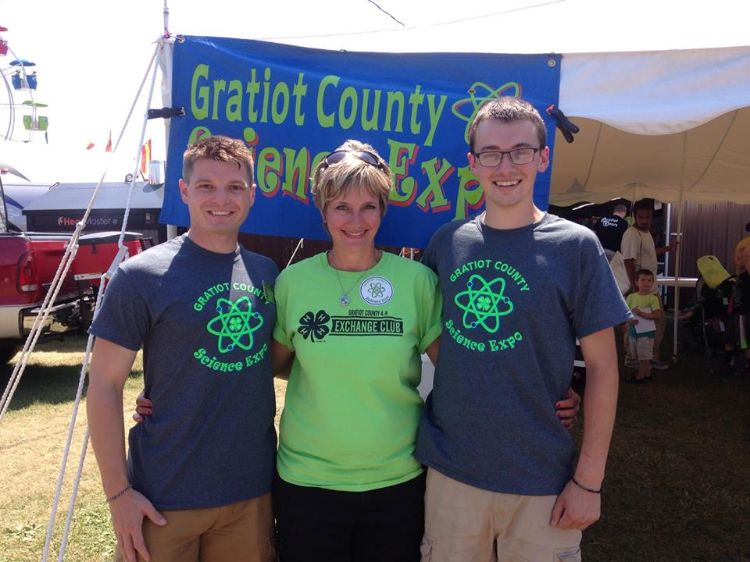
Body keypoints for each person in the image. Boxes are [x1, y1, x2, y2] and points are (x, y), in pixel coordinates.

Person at [133, 138, 582, 562]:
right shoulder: (291, 283)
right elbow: (258, 365)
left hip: (398, 480)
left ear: (383, 211)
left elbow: (463, 367)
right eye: (342, 207)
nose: (356, 219)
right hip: (306, 481)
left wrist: (539, 398)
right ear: (324, 212)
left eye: (369, 206)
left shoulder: (417, 282)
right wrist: (176, 394)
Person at [415, 96, 630, 562]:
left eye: (521, 151)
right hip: (452, 476)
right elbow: (428, 342)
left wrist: (589, 481)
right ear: (473, 163)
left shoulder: (576, 246)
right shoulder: (446, 243)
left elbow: (603, 369)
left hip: (542, 480)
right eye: (491, 152)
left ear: (543, 157)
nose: (505, 165)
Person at [86, 136, 278, 562]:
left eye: (234, 186)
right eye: (206, 186)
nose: (221, 199)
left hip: (251, 491)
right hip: (163, 495)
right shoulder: (141, 275)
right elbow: (103, 384)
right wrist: (118, 494)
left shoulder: (267, 273)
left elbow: (276, 360)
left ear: (252, 194)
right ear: (184, 191)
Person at [620, 199, 677, 370]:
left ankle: (647, 356)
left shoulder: (646, 233)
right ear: (634, 216)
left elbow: (650, 253)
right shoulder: (631, 234)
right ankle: (634, 357)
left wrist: (668, 249)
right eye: (641, 217)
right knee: (636, 324)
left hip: (648, 288)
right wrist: (635, 287)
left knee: (653, 324)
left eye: (648, 217)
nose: (644, 220)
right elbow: (629, 261)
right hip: (640, 289)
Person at [625, 269, 663, 383]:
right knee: (638, 355)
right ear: (637, 282)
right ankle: (647, 374)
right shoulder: (631, 297)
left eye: (649, 280)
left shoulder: (653, 298)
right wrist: (630, 320)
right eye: (643, 280)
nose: (646, 283)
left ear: (652, 282)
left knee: (644, 356)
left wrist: (642, 314)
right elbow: (626, 313)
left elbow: (657, 315)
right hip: (633, 331)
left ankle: (640, 377)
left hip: (646, 333)